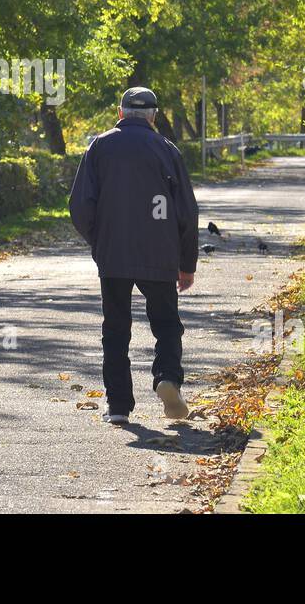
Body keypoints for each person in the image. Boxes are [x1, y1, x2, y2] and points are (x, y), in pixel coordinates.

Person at [68, 86, 199, 424]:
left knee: (115, 329)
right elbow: (186, 212)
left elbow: (80, 206)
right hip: (160, 255)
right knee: (167, 325)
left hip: (114, 255)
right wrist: (186, 265)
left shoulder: (99, 146)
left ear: (121, 111)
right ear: (154, 115)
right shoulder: (167, 150)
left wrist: (99, 241)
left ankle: (118, 407)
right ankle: (167, 378)